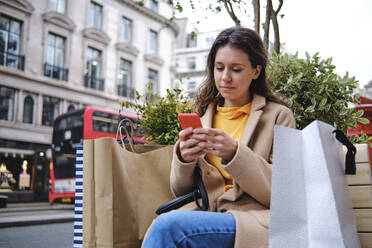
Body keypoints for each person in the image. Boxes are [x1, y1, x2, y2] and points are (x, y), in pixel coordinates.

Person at [142, 27, 296, 248]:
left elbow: (284, 191)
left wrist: (235, 153)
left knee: (169, 227)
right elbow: (181, 191)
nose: (225, 77)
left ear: (256, 71)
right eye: (219, 67)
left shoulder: (278, 116)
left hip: (253, 220)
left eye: (236, 69)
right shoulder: (203, 116)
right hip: (207, 213)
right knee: (164, 225)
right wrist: (184, 160)